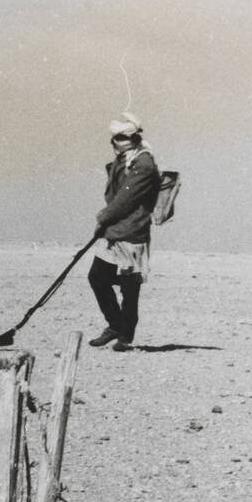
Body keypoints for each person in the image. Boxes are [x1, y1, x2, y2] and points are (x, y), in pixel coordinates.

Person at [88, 113, 161, 352]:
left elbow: (125, 200)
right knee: (98, 277)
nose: (118, 142)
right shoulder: (123, 161)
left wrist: (102, 218)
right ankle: (116, 326)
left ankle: (125, 335)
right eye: (116, 138)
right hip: (115, 232)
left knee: (130, 288)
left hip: (131, 233)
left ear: (136, 138)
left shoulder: (144, 164)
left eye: (124, 137)